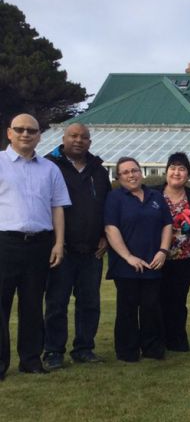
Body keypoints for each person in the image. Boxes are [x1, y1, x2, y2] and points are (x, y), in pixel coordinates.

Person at [0, 114, 70, 380]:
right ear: (9, 133)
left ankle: (30, 361)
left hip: (39, 244)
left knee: (32, 305)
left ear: (40, 135)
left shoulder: (50, 169)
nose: (25, 134)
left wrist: (59, 244)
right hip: (5, 242)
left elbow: (58, 208)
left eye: (31, 130)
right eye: (19, 130)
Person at [43, 123, 111, 370]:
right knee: (57, 303)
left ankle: (84, 348)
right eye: (73, 136)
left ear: (90, 142)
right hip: (62, 249)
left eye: (84, 137)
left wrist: (105, 233)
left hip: (92, 250)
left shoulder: (98, 170)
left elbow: (106, 205)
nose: (78, 141)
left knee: (89, 303)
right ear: (63, 138)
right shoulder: (49, 166)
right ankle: (53, 351)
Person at [104, 157, 172, 362]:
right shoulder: (115, 198)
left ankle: (152, 347)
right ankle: (127, 350)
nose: (131, 175)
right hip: (126, 265)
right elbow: (110, 228)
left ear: (140, 173)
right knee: (127, 308)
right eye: (125, 172)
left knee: (151, 306)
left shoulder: (155, 196)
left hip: (153, 262)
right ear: (118, 177)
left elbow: (167, 225)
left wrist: (163, 251)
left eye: (134, 170)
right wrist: (128, 257)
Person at [154, 152, 190, 352]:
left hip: (185, 256)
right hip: (157, 256)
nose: (176, 172)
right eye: (173, 168)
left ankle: (177, 340)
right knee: (157, 299)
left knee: (179, 300)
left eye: (182, 169)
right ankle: (158, 340)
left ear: (188, 174)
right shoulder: (153, 194)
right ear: (166, 172)